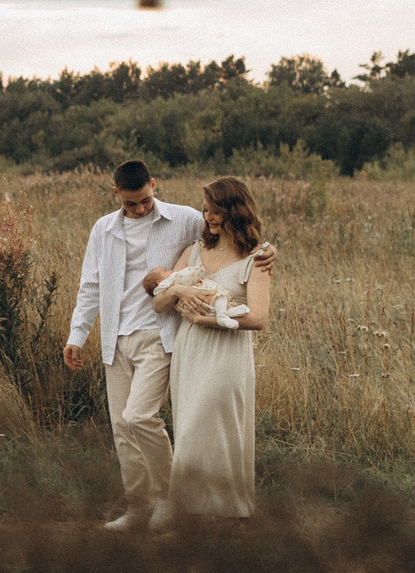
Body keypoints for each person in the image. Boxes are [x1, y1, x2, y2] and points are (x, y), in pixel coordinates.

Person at [63, 161, 274, 527]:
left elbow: (240, 240)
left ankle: (168, 501)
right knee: (122, 428)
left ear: (154, 185)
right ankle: (138, 508)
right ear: (117, 196)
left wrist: (271, 251)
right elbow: (91, 285)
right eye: (131, 204)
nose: (140, 209)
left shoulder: (184, 219)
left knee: (139, 416)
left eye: (145, 200)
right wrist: (77, 336)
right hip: (115, 336)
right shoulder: (103, 229)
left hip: (160, 337)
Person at [152, 177, 276, 518]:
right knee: (190, 423)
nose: (208, 217)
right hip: (190, 351)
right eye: (206, 210)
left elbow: (259, 317)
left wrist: (208, 320)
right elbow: (159, 302)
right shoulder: (194, 251)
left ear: (234, 211)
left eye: (216, 210)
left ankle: (225, 508)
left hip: (228, 351)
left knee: (210, 424)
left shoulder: (256, 258)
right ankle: (196, 511)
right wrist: (180, 292)